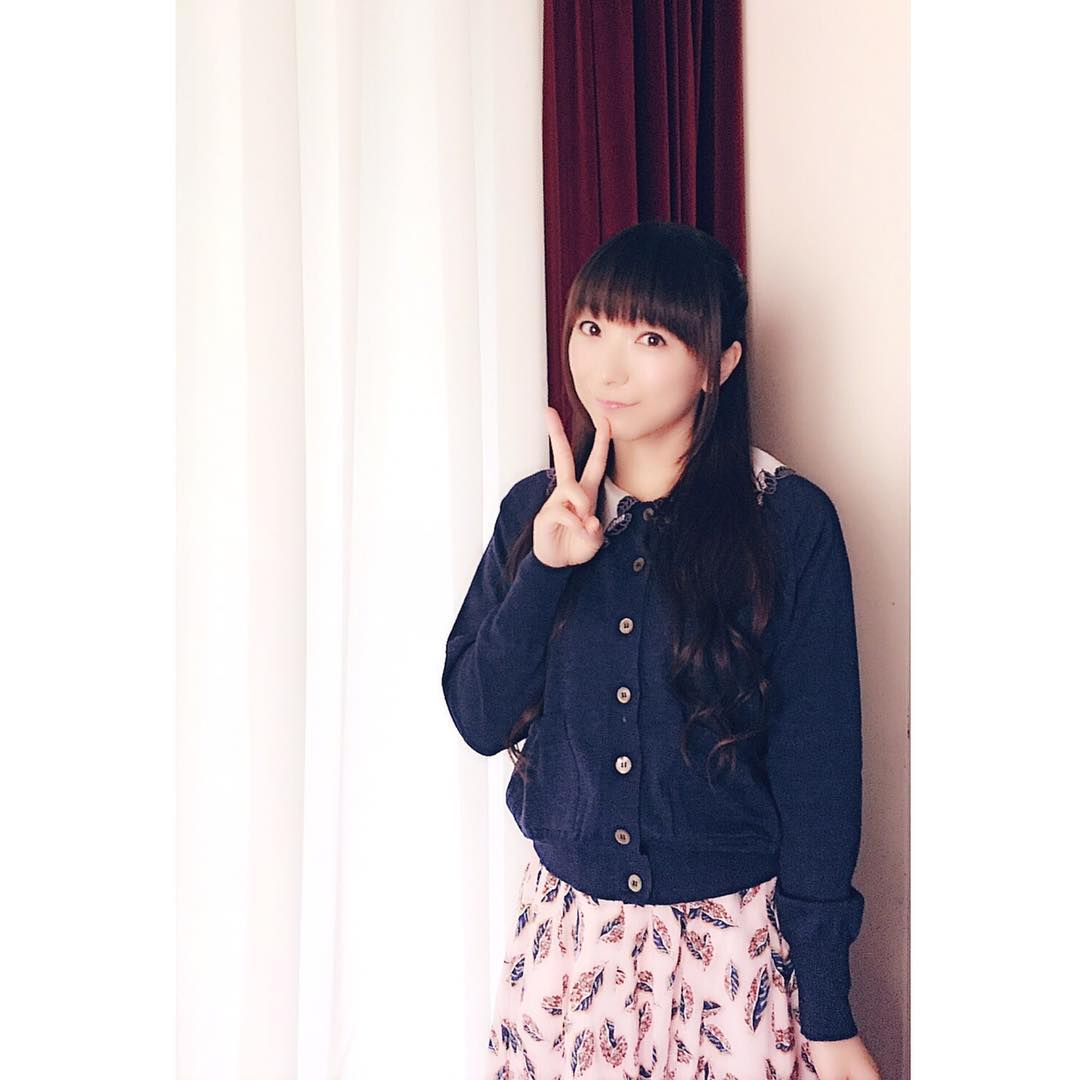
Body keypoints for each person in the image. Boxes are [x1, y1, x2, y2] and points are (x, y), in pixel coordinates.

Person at [441, 220, 881, 1080]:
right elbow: (479, 717)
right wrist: (546, 570)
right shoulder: (536, 511)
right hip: (566, 956)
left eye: (651, 338)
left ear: (720, 363)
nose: (608, 368)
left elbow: (820, 780)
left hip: (732, 960)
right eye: (591, 327)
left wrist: (829, 1017)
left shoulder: (788, 523)